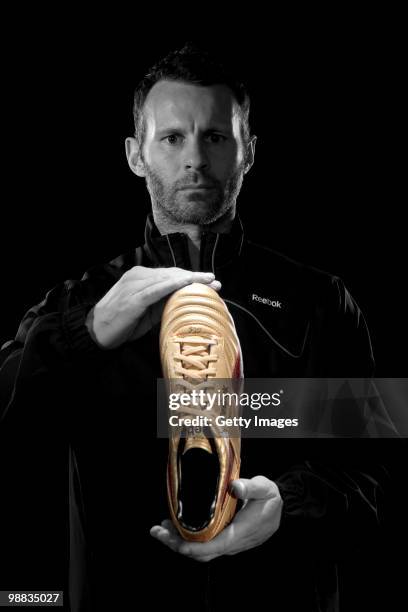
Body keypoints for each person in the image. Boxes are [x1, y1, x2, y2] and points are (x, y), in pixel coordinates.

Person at [0, 43, 390, 611]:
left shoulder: (318, 302)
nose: (195, 160)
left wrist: (289, 502)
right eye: (172, 138)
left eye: (215, 136)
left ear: (247, 151)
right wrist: (86, 334)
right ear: (136, 154)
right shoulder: (83, 299)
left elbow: (375, 475)